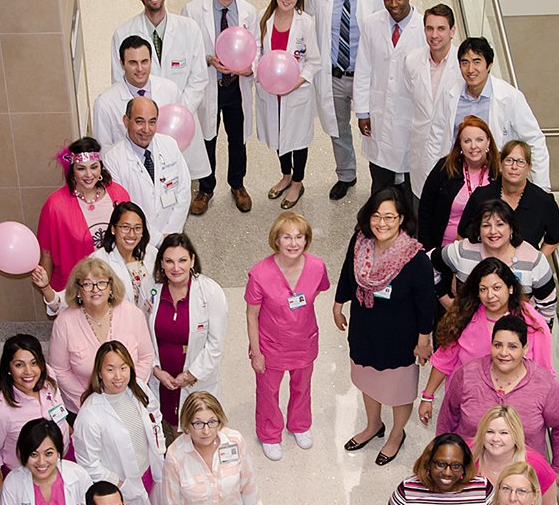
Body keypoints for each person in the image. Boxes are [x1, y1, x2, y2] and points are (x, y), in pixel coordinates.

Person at [334, 187, 435, 466]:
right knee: (367, 378)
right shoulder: (360, 241)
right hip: (365, 328)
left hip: (399, 337)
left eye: (390, 217)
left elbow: (426, 305)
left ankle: (396, 433)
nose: (382, 223)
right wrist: (339, 303)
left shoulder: (415, 259)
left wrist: (423, 341)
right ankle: (373, 424)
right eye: (377, 216)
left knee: (399, 390)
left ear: (402, 219)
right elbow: (346, 272)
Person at [418, 259, 554, 427]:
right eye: (483, 289)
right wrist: (427, 396)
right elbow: (444, 361)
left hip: (513, 415)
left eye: (497, 288)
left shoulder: (533, 323)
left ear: (510, 288)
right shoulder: (464, 317)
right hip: (467, 409)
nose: (490, 296)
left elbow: (544, 371)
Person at [438, 314, 559, 481]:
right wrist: (442, 457)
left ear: (525, 348)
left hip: (523, 480)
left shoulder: (545, 385)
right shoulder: (467, 375)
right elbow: (447, 417)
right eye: (498, 345)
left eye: (512, 346)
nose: (504, 353)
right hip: (470, 475)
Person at [110, 0, 210, 179]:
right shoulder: (123, 33)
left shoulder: (189, 29)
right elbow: (119, 82)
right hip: (143, 126)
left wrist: (177, 115)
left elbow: (199, 77)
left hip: (182, 120)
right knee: (148, 179)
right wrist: (149, 121)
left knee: (181, 179)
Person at [245, 211, 330, 460]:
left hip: (304, 341)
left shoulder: (317, 267)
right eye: (287, 237)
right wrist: (257, 352)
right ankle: (270, 434)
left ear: (306, 240)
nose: (293, 243)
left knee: (302, 386)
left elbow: (319, 291)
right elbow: (251, 316)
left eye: (299, 237)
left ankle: (299, 425)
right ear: (276, 240)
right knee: (268, 391)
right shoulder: (259, 274)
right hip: (271, 346)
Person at [181, 0, 259, 215]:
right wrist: (207, 59)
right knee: (207, 138)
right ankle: (205, 187)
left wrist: (250, 68)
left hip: (236, 87)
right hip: (209, 85)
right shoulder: (192, 11)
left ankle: (237, 184)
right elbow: (186, 53)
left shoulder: (248, 11)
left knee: (238, 139)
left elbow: (256, 48)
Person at [306, 0, 382, 201]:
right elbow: (298, 17)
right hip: (335, 77)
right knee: (338, 129)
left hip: (365, 77)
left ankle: (381, 180)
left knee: (373, 128)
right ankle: (346, 175)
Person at [74, 342, 165, 505]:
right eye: (110, 369)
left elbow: (155, 417)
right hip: (122, 488)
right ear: (99, 372)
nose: (118, 376)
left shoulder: (139, 388)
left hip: (149, 473)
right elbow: (89, 464)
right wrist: (121, 485)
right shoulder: (90, 415)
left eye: (123, 368)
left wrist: (160, 450)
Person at [435, 37, 552, 191]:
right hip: (458, 177)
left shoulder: (510, 96)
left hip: (496, 179)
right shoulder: (450, 94)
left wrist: (541, 190)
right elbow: (436, 138)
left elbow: (535, 141)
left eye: (477, 62)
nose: (470, 69)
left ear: (489, 65)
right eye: (465, 62)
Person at [48, 257, 155, 416]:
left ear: (111, 287)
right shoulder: (64, 322)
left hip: (129, 403)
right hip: (84, 408)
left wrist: (129, 393)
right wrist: (90, 403)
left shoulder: (133, 314)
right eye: (87, 284)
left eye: (101, 282)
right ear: (78, 290)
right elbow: (59, 370)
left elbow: (146, 357)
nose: (95, 289)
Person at [353, 0, 425, 203]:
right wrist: (362, 112)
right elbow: (363, 70)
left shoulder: (424, 28)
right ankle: (376, 222)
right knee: (380, 177)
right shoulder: (372, 23)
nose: (393, 4)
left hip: (409, 116)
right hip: (379, 112)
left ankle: (407, 227)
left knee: (408, 179)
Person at [148, 234, 228, 442]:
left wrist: (191, 374)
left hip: (195, 376)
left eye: (182, 260)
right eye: (169, 261)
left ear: (192, 260)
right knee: (173, 424)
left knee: (199, 425)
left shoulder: (210, 291)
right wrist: (156, 370)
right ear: (161, 264)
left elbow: (215, 344)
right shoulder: (152, 290)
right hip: (164, 376)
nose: (176, 267)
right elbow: (142, 336)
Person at [255, 0, 321, 210]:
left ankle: (297, 182)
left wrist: (296, 82)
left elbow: (314, 61)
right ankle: (285, 175)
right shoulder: (265, 19)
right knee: (279, 136)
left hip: (296, 93)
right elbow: (257, 54)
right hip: (272, 93)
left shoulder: (306, 22)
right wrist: (260, 74)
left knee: (298, 140)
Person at [434, 198, 557, 324]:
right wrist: (444, 298)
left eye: (500, 224)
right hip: (467, 334)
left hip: (515, 338)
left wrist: (536, 336)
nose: (493, 232)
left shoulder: (533, 259)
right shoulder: (462, 250)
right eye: (486, 225)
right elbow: (428, 264)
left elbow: (548, 305)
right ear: (478, 230)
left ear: (511, 228)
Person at [0, 335, 70, 495]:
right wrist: (3, 496)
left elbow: (60, 415)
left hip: (64, 460)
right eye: (19, 365)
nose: (29, 372)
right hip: (27, 477)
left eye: (34, 363)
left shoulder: (48, 378)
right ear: (8, 368)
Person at [33, 202, 158, 318]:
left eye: (137, 228)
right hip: (117, 331)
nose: (131, 234)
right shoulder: (99, 260)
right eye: (125, 227)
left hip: (152, 330)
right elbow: (68, 299)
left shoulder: (152, 254)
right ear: (113, 229)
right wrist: (45, 287)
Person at [36, 138, 130, 292]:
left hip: (117, 286)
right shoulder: (55, 205)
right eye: (81, 168)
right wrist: (48, 294)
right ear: (72, 170)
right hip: (77, 291)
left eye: (94, 167)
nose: (88, 174)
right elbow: (46, 254)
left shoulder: (119, 194)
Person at [104, 97, 192, 247]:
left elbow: (184, 190)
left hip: (173, 236)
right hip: (138, 240)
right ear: (126, 121)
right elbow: (123, 210)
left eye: (152, 122)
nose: (146, 129)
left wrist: (171, 235)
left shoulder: (169, 145)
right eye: (139, 121)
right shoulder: (112, 160)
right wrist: (158, 240)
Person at [458, 138, 559, 256]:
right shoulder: (481, 196)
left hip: (526, 269)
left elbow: (556, 235)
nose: (514, 167)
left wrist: (537, 261)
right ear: (500, 165)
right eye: (509, 160)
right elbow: (462, 235)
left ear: (529, 168)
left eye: (521, 162)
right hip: (486, 265)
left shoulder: (543, 201)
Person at [403, 4, 461, 203]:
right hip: (420, 145)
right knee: (421, 207)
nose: (434, 35)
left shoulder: (463, 66)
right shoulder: (412, 61)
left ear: (452, 31)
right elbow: (411, 99)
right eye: (429, 28)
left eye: (441, 28)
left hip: (451, 149)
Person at [418, 115, 499, 251]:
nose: (473, 146)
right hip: (442, 249)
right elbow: (426, 209)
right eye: (467, 141)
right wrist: (428, 250)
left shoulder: (498, 173)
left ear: (488, 142)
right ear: (460, 144)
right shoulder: (445, 168)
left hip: (486, 251)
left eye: (479, 140)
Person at [93, 36, 181, 150]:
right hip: (124, 166)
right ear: (122, 64)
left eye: (144, 62)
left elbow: (179, 132)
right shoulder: (104, 104)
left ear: (151, 61)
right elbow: (103, 150)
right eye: (133, 63)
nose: (139, 69)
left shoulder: (170, 90)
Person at [470, 404, 558, 505]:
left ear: (516, 435)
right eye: (490, 432)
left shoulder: (537, 465)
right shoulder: (466, 456)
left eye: (504, 433)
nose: (496, 438)